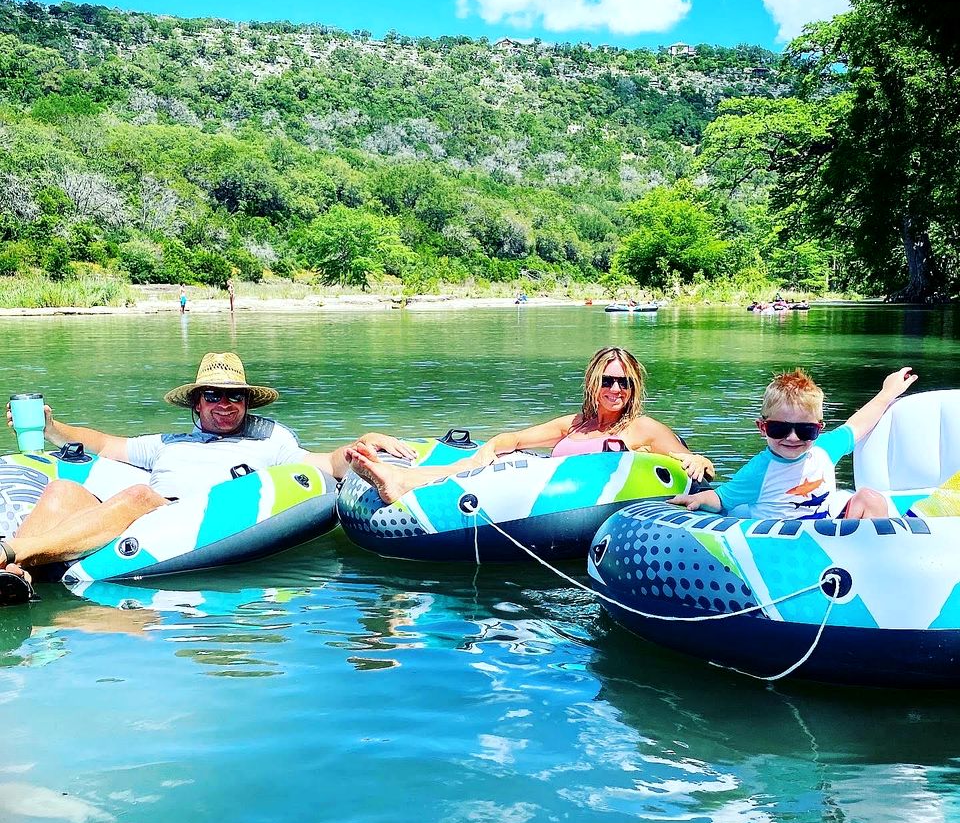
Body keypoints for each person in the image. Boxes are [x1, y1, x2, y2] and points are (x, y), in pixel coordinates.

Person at [0, 352, 413, 584]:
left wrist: (362, 444)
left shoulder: (268, 440)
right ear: (197, 403)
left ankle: (11, 552)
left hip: (190, 522)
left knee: (141, 495)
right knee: (61, 492)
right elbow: (105, 444)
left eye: (235, 396)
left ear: (248, 401)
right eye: (213, 395)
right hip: (135, 518)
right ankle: (15, 574)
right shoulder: (168, 443)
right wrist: (52, 428)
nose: (225, 403)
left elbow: (324, 464)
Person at [345, 346, 715, 506]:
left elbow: (691, 462)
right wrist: (491, 447)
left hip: (575, 502)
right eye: (607, 380)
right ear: (593, 383)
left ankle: (399, 480)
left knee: (491, 470)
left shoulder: (643, 428)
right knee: (487, 462)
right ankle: (399, 477)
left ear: (633, 387)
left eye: (624, 382)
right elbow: (517, 437)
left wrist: (697, 460)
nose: (615, 389)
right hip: (534, 490)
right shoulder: (575, 424)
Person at [669, 366, 918, 520]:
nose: (792, 438)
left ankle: (876, 566)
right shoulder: (759, 470)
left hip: (830, 534)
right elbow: (722, 499)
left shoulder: (823, 451)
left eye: (805, 430)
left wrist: (888, 393)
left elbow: (856, 425)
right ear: (762, 428)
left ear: (818, 429)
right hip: (784, 544)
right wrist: (697, 500)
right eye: (779, 428)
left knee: (871, 499)